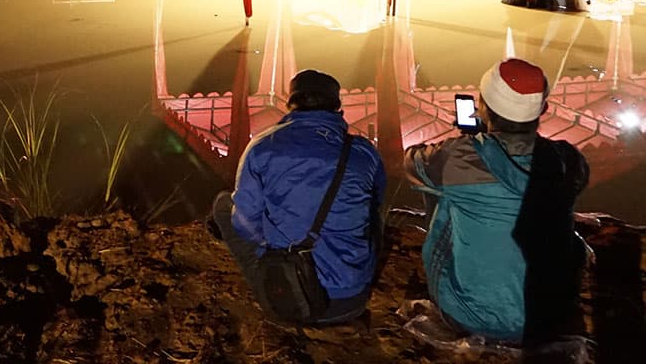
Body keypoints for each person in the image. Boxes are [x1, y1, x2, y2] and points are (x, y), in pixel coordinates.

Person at [404, 58, 588, 344]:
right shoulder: (568, 160)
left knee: (441, 191)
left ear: (482, 106)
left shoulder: (459, 157)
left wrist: (474, 140)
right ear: (544, 110)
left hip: (470, 317)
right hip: (551, 317)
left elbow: (412, 163)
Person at [209, 69, 386, 324]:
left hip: (288, 302)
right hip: (352, 300)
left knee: (225, 205)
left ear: (290, 105)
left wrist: (276, 241)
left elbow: (244, 225)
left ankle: (270, 276)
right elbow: (376, 201)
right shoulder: (364, 152)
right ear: (338, 108)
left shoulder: (261, 146)